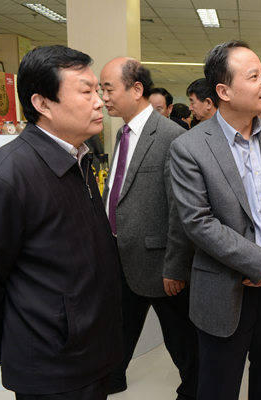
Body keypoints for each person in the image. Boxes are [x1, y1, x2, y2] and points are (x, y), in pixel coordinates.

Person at [0, 45, 122, 399]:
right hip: (53, 366)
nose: (99, 102)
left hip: (93, 352)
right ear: (42, 103)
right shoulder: (5, 177)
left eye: (98, 90)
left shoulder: (80, 157)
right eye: (86, 92)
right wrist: (20, 346)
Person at [170, 40, 261, 400]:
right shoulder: (190, 147)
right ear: (224, 91)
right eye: (254, 76)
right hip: (224, 288)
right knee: (218, 388)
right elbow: (198, 222)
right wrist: (260, 262)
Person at [100, 57, 198, 399]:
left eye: (108, 89)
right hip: (121, 253)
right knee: (121, 325)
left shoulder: (171, 136)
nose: (103, 98)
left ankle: (194, 389)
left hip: (160, 263)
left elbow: (182, 210)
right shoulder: (123, 133)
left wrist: (176, 266)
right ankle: (114, 378)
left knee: (179, 335)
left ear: (136, 89)